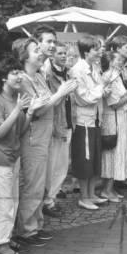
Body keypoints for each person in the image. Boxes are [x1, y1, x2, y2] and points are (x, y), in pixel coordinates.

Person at [12, 37, 76, 247]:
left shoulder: (38, 76)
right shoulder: (22, 79)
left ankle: (35, 225)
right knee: (33, 183)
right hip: (33, 137)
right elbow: (37, 109)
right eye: (35, 50)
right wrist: (60, 93)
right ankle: (26, 230)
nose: (41, 53)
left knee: (41, 183)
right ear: (23, 56)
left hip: (44, 135)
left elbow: (46, 102)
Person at [0, 55, 45, 254]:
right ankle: (2, 246)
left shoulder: (16, 98)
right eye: (14, 73)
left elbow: (19, 131)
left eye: (19, 72)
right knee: (2, 202)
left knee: (12, 200)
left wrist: (28, 113)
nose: (19, 76)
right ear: (2, 77)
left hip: (12, 155)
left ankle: (6, 238)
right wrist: (18, 109)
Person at [70, 35, 105, 210]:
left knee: (94, 159)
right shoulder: (77, 70)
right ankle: (83, 197)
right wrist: (101, 88)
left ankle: (91, 194)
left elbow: (96, 94)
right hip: (84, 121)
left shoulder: (95, 67)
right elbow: (84, 98)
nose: (100, 52)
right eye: (96, 49)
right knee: (85, 159)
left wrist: (99, 89)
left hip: (95, 119)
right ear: (86, 52)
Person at [100, 51, 127, 201]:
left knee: (119, 153)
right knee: (114, 154)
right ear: (110, 62)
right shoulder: (109, 77)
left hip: (121, 118)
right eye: (118, 60)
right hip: (114, 119)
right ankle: (107, 190)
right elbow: (115, 103)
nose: (121, 62)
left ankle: (111, 188)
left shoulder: (115, 77)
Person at [44, 41, 76, 216]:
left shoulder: (67, 73)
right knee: (54, 165)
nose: (64, 56)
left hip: (68, 122)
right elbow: (51, 102)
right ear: (52, 55)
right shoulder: (49, 75)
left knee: (63, 165)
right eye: (60, 53)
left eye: (66, 53)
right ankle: (48, 201)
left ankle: (52, 196)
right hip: (57, 124)